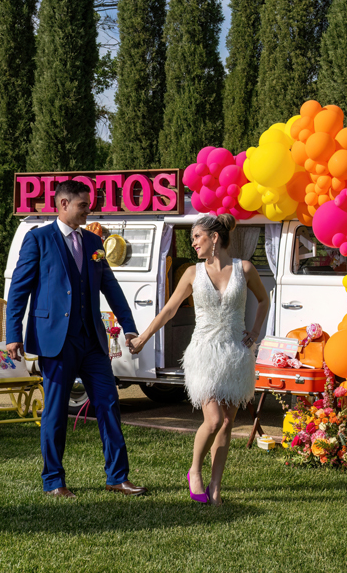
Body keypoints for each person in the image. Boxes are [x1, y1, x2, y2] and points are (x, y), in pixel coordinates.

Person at [5, 179, 145, 499]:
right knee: (55, 412)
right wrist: (13, 334)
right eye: (83, 205)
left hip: (92, 340)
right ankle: (54, 481)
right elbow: (18, 291)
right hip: (56, 341)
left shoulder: (94, 242)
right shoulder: (38, 239)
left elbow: (111, 288)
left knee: (109, 404)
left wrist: (129, 327)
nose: (88, 211)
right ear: (64, 204)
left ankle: (117, 477)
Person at [130, 214, 269, 506]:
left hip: (235, 354)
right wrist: (143, 338)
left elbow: (264, 300)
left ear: (214, 237)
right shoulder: (193, 273)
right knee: (214, 419)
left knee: (228, 422)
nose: (193, 243)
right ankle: (195, 470)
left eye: (196, 237)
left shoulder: (244, 268)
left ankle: (216, 486)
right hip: (204, 354)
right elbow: (169, 310)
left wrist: (255, 332)